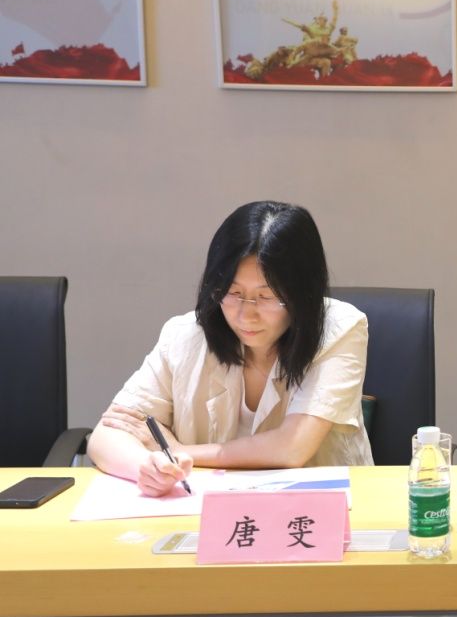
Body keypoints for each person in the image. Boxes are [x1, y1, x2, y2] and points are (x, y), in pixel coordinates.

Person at [89, 201, 374, 496]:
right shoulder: (184, 336)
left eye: (267, 296)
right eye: (232, 292)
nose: (245, 315)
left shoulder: (341, 329)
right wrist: (150, 467)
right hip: (205, 512)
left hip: (318, 509)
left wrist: (181, 451)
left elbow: (291, 448)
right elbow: (107, 434)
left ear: (303, 294)